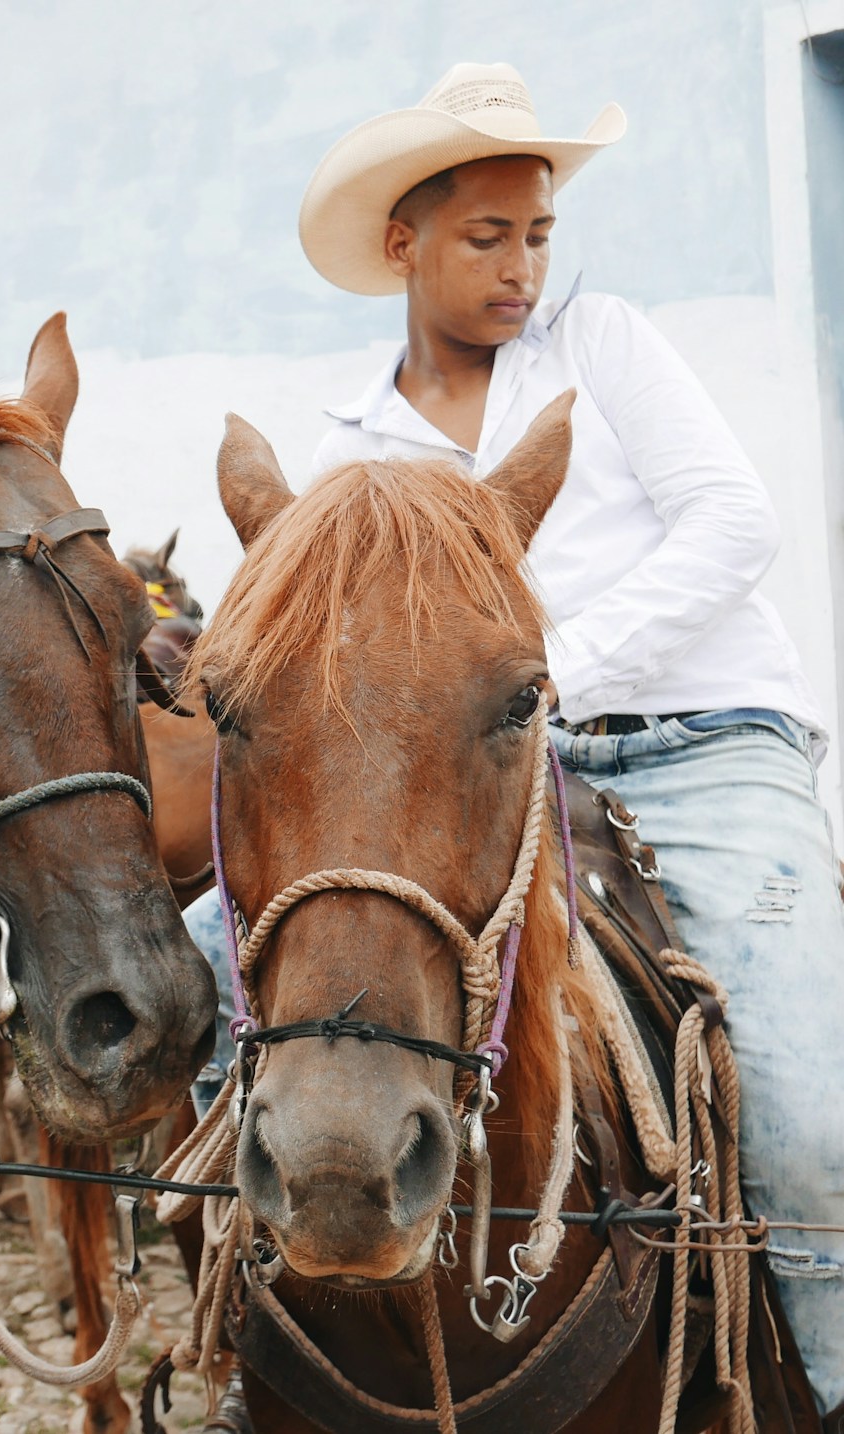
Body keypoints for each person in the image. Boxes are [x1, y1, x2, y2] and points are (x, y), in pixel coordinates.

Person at [283, 61, 842, 1411]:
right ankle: (254, 1328)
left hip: (706, 741)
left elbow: (736, 524)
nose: (524, 265)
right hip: (494, 772)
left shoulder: (606, 347)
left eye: (538, 233)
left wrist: (555, 676)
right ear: (404, 242)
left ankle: (828, 1381)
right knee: (225, 971)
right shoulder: (352, 445)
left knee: (815, 1100)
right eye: (489, 236)